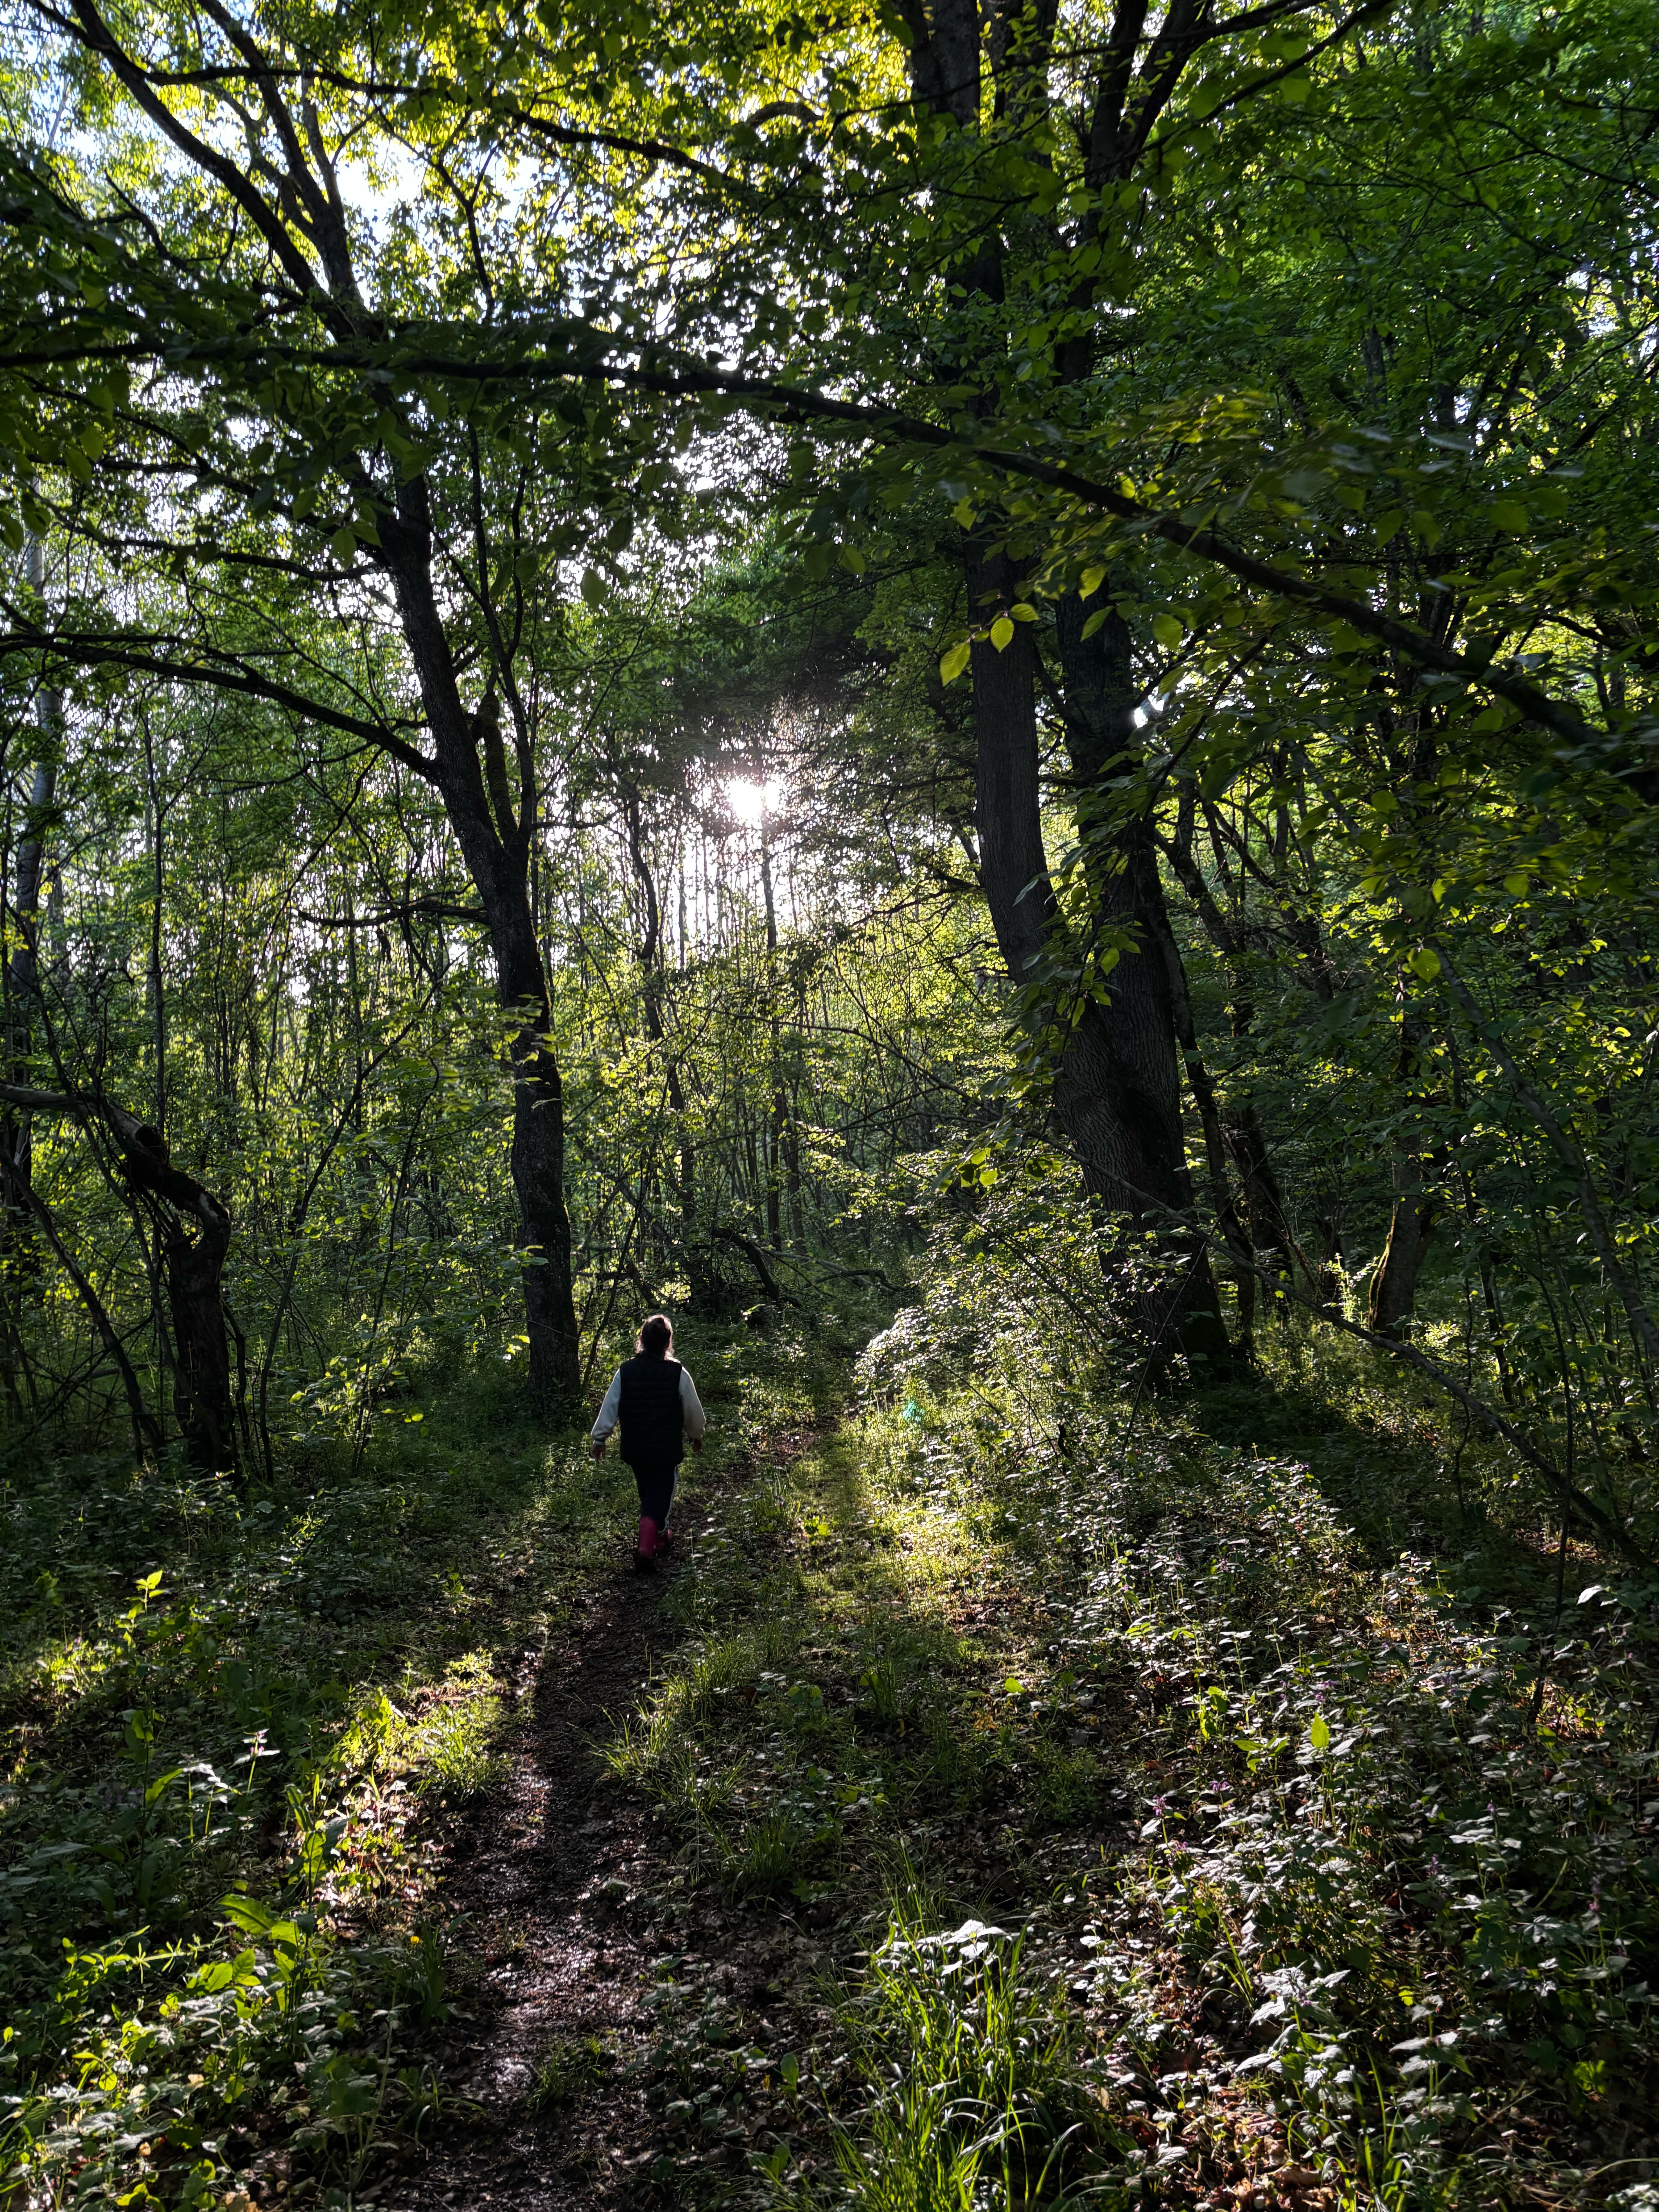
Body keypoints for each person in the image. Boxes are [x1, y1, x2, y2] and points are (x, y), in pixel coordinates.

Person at [590, 1313, 706, 1572]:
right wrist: (696, 1435)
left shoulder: (626, 1371)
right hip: (665, 1450)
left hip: (635, 1449)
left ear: (641, 1340)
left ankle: (660, 1537)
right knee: (660, 1494)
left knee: (648, 1491)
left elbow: (610, 1407)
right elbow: (693, 1410)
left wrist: (600, 1439)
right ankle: (646, 1548)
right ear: (668, 1343)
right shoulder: (677, 1373)